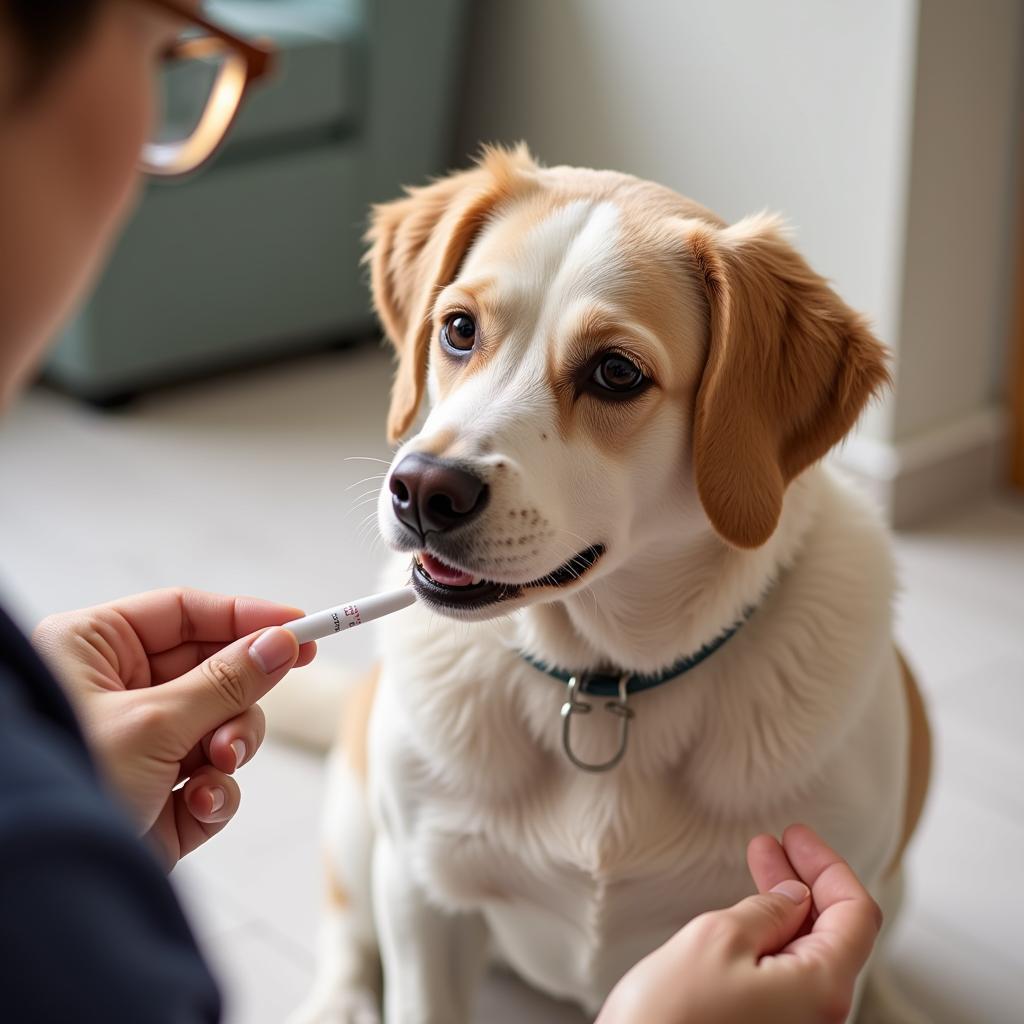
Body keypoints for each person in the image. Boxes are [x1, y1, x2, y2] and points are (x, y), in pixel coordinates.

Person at [0, 2, 883, 1021]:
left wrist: (56, 752)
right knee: (398, 849)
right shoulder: (48, 904)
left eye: (610, 373)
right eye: (461, 331)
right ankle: (342, 956)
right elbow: (417, 884)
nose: (438, 463)